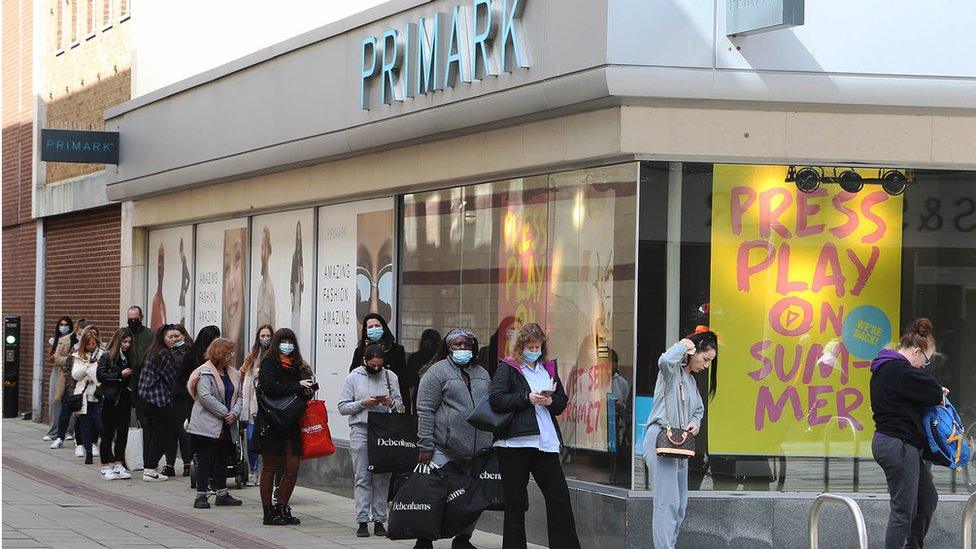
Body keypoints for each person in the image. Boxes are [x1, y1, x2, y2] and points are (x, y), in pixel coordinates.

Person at [489, 322, 580, 549]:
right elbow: (496, 399)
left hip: (545, 443)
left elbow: (561, 401)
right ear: (520, 347)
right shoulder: (508, 368)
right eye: (530, 346)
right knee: (515, 502)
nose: (534, 349)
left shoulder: (548, 368)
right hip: (514, 443)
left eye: (537, 346)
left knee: (559, 497)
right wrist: (526, 398)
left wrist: (549, 400)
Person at [870, 318, 947, 549]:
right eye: (925, 361)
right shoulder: (897, 370)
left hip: (897, 443)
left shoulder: (890, 369)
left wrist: (934, 392)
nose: (924, 366)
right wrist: (937, 392)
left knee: (926, 499)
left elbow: (921, 391)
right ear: (916, 350)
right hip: (898, 445)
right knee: (903, 510)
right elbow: (932, 390)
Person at [415, 328, 492, 549]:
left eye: (467, 345)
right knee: (439, 496)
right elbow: (425, 410)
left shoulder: (482, 373)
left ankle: (463, 539)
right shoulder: (436, 372)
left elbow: (489, 406)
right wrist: (425, 444)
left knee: (472, 500)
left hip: (478, 450)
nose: (462, 349)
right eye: (457, 345)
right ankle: (425, 539)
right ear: (448, 347)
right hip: (444, 448)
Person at [641, 331, 718, 549]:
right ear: (694, 352)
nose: (706, 365)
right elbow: (665, 359)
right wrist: (685, 344)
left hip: (680, 446)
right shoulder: (670, 372)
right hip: (661, 442)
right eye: (705, 359)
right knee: (667, 504)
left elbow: (699, 410)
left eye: (710, 361)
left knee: (680, 505)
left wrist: (696, 422)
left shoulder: (691, 382)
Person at [338, 344, 403, 538]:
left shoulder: (391, 377)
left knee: (383, 477)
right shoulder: (353, 377)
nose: (376, 369)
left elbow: (400, 407)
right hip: (361, 429)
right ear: (364, 361)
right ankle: (362, 520)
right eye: (372, 366)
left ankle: (379, 520)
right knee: (363, 476)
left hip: (384, 431)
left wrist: (390, 403)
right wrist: (362, 403)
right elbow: (342, 407)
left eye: (379, 366)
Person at [256, 328, 314, 526]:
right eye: (283, 341)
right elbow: (268, 386)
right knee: (270, 468)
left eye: (290, 341)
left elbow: (299, 391)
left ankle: (282, 507)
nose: (287, 345)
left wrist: (307, 390)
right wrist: (297, 385)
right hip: (272, 421)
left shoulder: (298, 365)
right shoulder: (269, 362)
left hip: (291, 421)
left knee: (292, 468)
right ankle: (268, 512)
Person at [186, 338, 244, 509]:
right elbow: (205, 397)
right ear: (219, 353)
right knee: (205, 460)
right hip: (207, 424)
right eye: (228, 353)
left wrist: (234, 413)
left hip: (227, 424)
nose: (232, 356)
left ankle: (222, 494)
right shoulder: (204, 372)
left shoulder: (233, 373)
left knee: (223, 459)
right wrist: (225, 413)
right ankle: (201, 496)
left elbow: (239, 396)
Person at [137, 324, 182, 482]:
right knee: (161, 435)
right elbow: (171, 377)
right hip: (158, 400)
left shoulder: (153, 351)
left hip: (146, 398)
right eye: (170, 337)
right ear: (162, 339)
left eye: (176, 337)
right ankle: (150, 468)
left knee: (153, 434)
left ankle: (149, 467)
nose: (174, 340)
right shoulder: (163, 353)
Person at [176, 325, 220, 477]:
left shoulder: (218, 357)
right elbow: (181, 378)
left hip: (214, 402)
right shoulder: (192, 356)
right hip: (194, 401)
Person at [349, 314, 410, 413]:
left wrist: (403, 409)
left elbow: (403, 381)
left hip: (388, 407)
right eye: (370, 327)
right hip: (365, 406)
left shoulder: (396, 350)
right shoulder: (360, 351)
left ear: (383, 328)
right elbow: (353, 377)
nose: (374, 329)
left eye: (377, 326)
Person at [96, 327, 135, 480]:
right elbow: (101, 375)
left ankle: (119, 463)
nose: (127, 345)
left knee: (122, 434)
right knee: (107, 433)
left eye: (129, 342)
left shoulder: (130, 357)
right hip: (110, 399)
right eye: (124, 342)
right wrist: (119, 375)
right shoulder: (107, 356)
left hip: (124, 399)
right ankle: (105, 465)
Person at [51, 320, 92, 455]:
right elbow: (57, 359)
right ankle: (59, 437)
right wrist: (71, 358)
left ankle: (81, 440)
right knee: (65, 410)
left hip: (85, 383)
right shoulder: (66, 341)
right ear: (77, 330)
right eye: (81, 333)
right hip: (70, 382)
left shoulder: (92, 343)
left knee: (82, 413)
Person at [240, 324, 273, 486]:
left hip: (268, 404)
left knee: (268, 441)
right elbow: (242, 372)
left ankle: (266, 472)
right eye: (262, 336)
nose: (265, 339)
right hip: (252, 405)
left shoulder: (275, 354)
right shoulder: (252, 354)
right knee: (252, 438)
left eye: (268, 336)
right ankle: (253, 471)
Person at [71, 327, 105, 465]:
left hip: (98, 393)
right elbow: (75, 375)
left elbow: (101, 374)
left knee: (100, 424)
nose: (91, 347)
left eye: (93, 344)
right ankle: (88, 453)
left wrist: (91, 370)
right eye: (88, 344)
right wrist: (87, 367)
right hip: (84, 394)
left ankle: (105, 450)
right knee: (85, 424)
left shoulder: (103, 354)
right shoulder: (79, 356)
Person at [44, 316, 74, 442]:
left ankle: (68, 431)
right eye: (61, 324)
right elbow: (51, 358)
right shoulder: (54, 340)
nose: (63, 327)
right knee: (55, 400)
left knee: (70, 401)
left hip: (69, 373)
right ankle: (53, 430)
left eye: (66, 324)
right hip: (57, 372)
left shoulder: (73, 340)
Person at [405, 328, 440, 413]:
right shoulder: (414, 358)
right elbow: (409, 381)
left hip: (430, 395)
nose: (428, 344)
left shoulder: (440, 359)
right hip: (421, 395)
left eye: (431, 342)